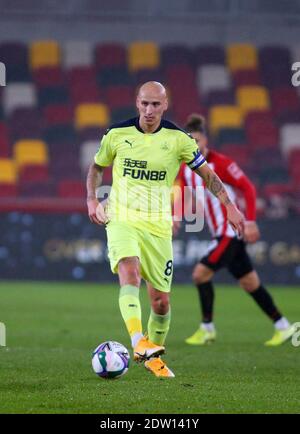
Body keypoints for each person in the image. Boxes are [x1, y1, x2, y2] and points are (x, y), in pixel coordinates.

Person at [86, 82, 244, 378]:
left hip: (158, 224)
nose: (149, 110)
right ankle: (137, 342)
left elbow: (209, 176)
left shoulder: (179, 140)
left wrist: (229, 206)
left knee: (160, 302)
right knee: (129, 271)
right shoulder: (116, 134)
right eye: (144, 103)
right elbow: (96, 167)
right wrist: (92, 199)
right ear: (136, 102)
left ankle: (152, 356)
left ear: (165, 105)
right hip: (122, 216)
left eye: (155, 105)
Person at [174, 113, 295, 347]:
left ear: (206, 140)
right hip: (220, 234)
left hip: (230, 233)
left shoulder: (222, 164)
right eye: (190, 141)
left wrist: (249, 221)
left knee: (200, 275)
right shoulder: (185, 167)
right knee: (250, 283)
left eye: (197, 141)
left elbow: (248, 188)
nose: (194, 146)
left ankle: (207, 328)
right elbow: (184, 194)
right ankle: (283, 326)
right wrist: (176, 216)